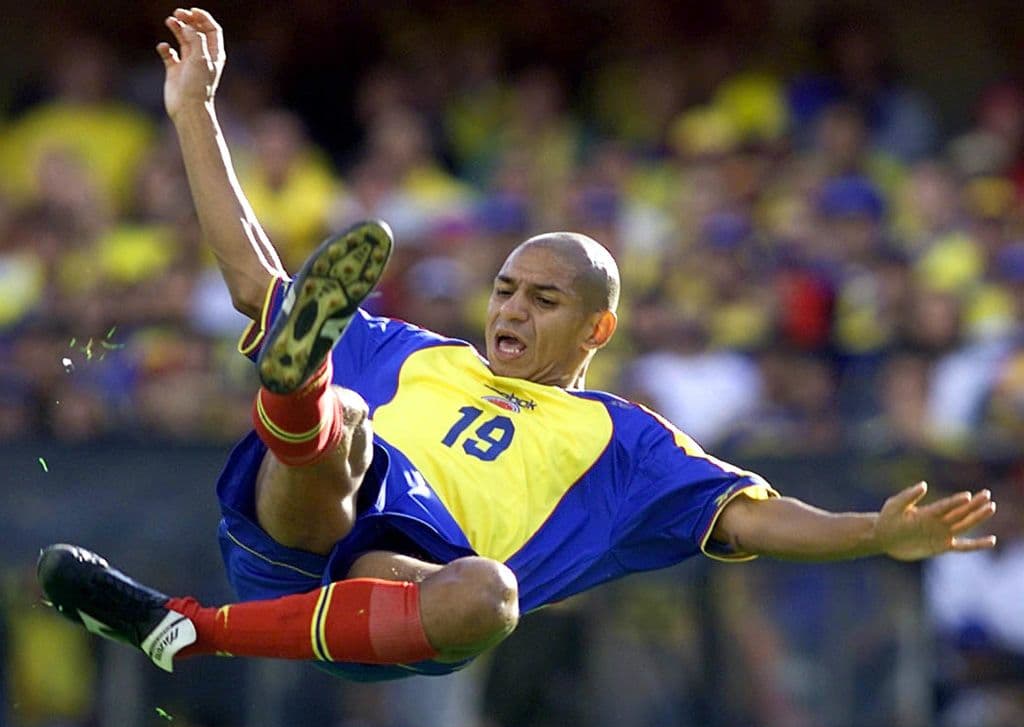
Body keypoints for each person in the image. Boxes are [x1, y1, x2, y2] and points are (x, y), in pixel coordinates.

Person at [38, 8, 998, 683]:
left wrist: (872, 532)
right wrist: (195, 113)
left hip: (402, 593)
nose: (510, 310)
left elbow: (757, 515)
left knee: (490, 597)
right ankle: (297, 409)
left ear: (597, 328)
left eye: (543, 299)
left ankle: (192, 616)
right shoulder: (425, 354)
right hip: (297, 520)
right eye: (503, 289)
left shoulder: (625, 441)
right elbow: (255, 283)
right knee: (350, 423)